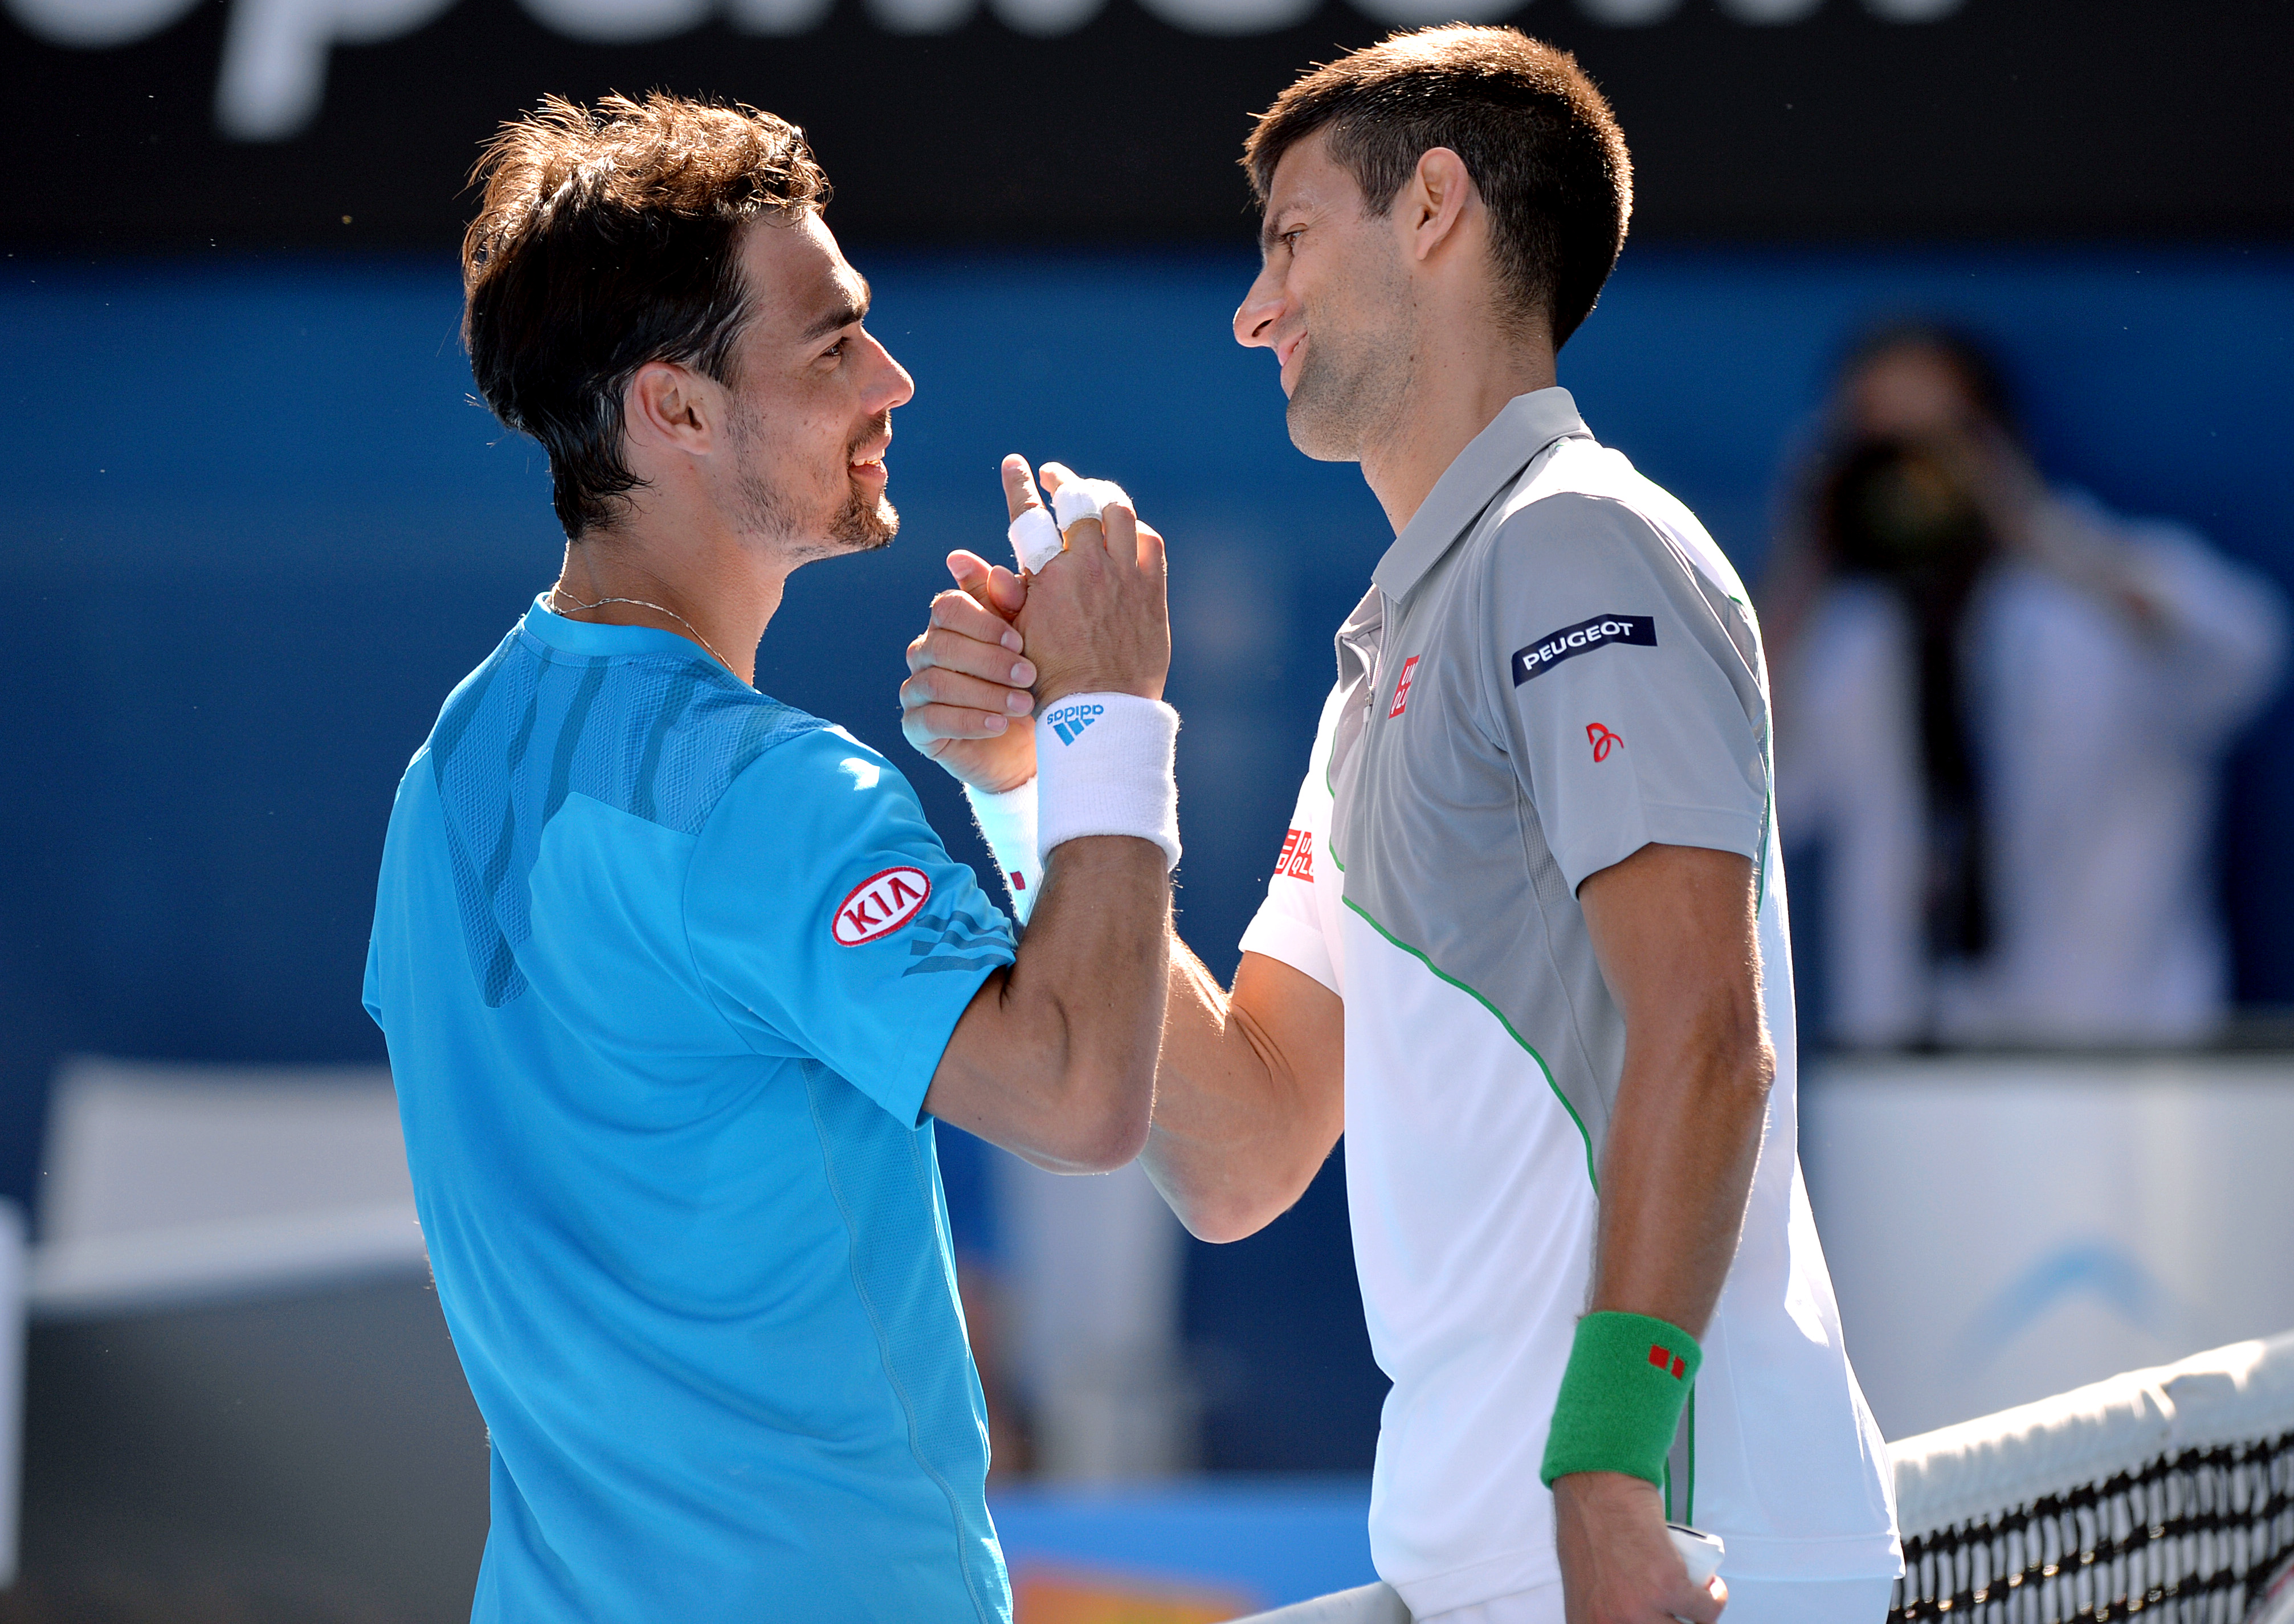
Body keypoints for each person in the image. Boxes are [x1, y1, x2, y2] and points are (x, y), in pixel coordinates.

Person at [899, 27, 1900, 1624]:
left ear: (1435, 208)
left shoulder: (1574, 544)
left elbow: (1704, 1032)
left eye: (1290, 240)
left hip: (1659, 1547)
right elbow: (1239, 1146)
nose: (1254, 307)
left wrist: (1604, 1479)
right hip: (1504, 1564)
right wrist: (1051, 778)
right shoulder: (1390, 667)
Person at [362, 93, 1181, 1623]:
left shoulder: (445, 773)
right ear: (671, 410)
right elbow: (1081, 1097)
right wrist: (1109, 720)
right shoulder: (766, 795)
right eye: (830, 345)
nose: (892, 378)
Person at [1765, 326, 2287, 1048]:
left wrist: (2029, 520)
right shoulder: (1850, 640)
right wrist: (1808, 554)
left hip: (2123, 1058)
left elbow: (2245, 655)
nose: (1913, 471)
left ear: (1997, 443)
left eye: (1938, 440)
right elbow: (1757, 786)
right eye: (1884, 443)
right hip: (1909, 1071)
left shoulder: (2103, 603)